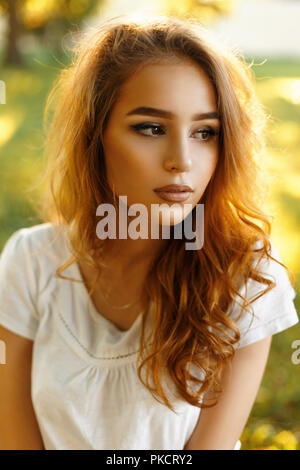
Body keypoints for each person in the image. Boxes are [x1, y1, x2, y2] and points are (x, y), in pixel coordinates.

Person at [0, 14, 298, 451]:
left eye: (205, 132)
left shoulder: (245, 276)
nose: (182, 160)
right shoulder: (30, 261)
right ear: (95, 136)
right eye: (152, 128)